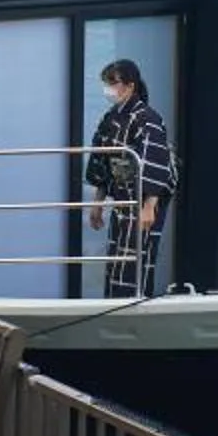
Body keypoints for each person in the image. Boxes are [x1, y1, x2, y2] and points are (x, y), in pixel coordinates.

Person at [86, 59, 177, 299]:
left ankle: (135, 301)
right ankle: (113, 300)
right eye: (107, 84)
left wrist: (150, 205)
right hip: (121, 195)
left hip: (145, 197)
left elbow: (157, 161)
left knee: (138, 254)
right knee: (117, 254)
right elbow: (101, 161)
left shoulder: (147, 119)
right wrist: (98, 202)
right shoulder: (111, 118)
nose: (109, 89)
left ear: (129, 86)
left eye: (113, 83)